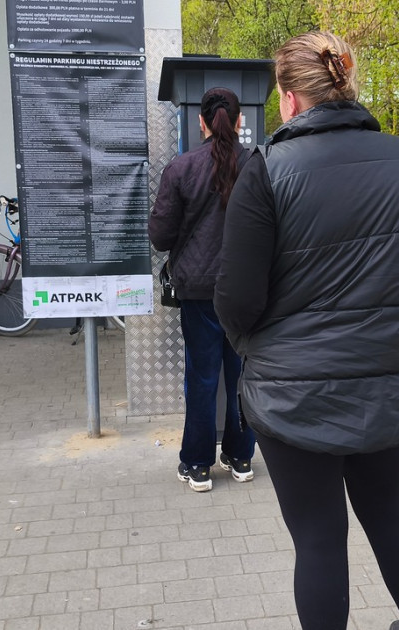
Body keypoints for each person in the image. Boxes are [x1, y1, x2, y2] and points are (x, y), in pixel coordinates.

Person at [215, 32, 399, 630]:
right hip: (392, 377)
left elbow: (237, 300)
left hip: (296, 391)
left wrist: (253, 349)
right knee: (391, 513)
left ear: (288, 99)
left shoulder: (267, 169)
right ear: (349, 83)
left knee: (318, 538)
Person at [149, 87, 255, 493]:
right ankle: (242, 456)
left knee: (202, 377)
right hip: (246, 292)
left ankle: (197, 465)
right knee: (242, 375)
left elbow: (160, 237)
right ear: (240, 120)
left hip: (198, 292)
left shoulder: (181, 168)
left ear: (202, 122)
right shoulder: (257, 167)